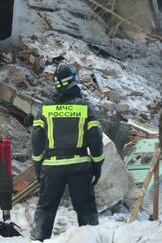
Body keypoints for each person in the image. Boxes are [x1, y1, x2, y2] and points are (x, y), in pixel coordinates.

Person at [30, 64, 104, 241]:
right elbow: (95, 139)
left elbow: (37, 141)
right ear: (75, 82)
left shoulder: (46, 108)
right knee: (86, 210)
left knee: (45, 209)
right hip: (79, 167)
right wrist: (97, 165)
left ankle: (37, 240)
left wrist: (38, 166)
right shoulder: (84, 107)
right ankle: (92, 239)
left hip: (52, 167)